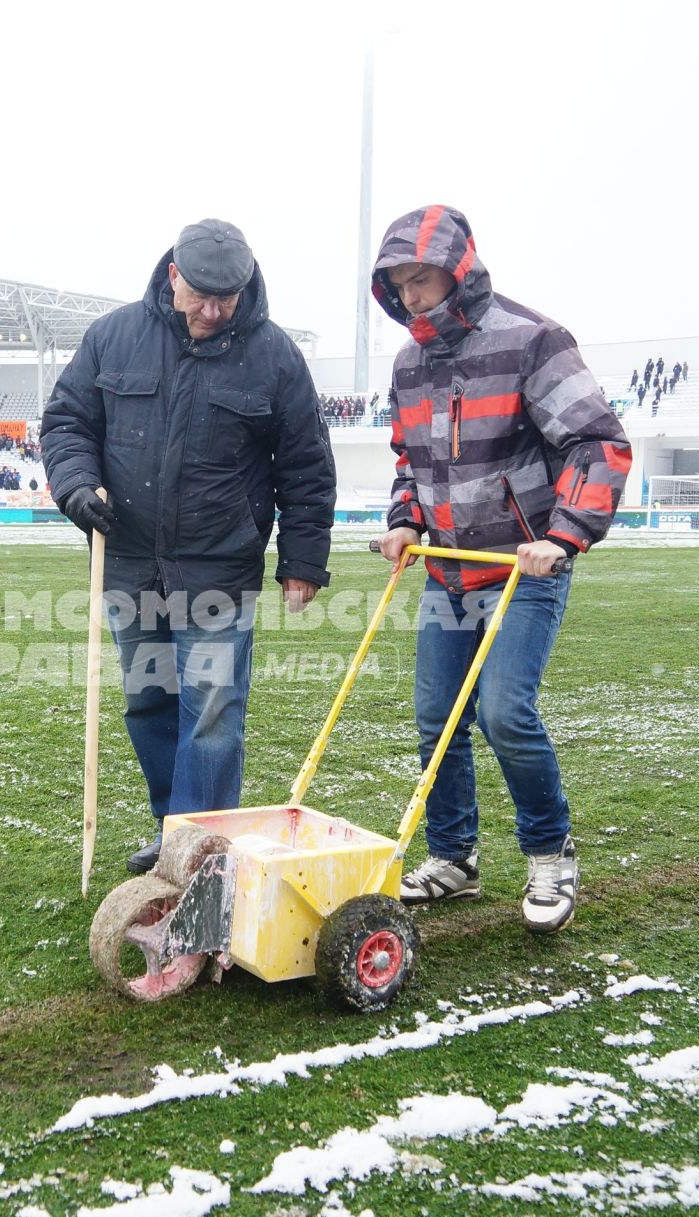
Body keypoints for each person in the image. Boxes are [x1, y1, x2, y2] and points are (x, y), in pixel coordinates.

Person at [41, 217, 334, 875]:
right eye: (200, 292)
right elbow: (67, 423)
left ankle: (201, 851)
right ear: (173, 274)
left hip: (218, 570)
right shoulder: (113, 337)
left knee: (210, 714)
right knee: (150, 701)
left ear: (245, 287)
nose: (211, 309)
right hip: (128, 564)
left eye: (225, 297)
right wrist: (75, 485)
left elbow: (307, 462)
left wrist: (303, 558)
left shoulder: (274, 355)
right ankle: (174, 830)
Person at [370, 203, 632, 935]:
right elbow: (410, 461)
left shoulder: (533, 340)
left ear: (457, 272)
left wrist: (566, 532)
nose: (411, 297)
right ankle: (454, 859)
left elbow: (598, 444)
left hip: (523, 567)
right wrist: (403, 522)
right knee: (436, 721)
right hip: (448, 572)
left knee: (504, 713)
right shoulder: (409, 363)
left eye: (421, 281)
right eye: (399, 285)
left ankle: (550, 853)